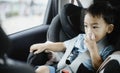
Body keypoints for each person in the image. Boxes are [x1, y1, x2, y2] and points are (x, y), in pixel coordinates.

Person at [29, 2, 119, 73]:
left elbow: (99, 68)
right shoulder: (81, 38)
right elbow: (63, 45)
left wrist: (93, 50)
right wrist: (44, 46)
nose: (89, 31)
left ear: (109, 28)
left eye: (94, 27)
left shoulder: (107, 49)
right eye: (86, 26)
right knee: (42, 70)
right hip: (62, 68)